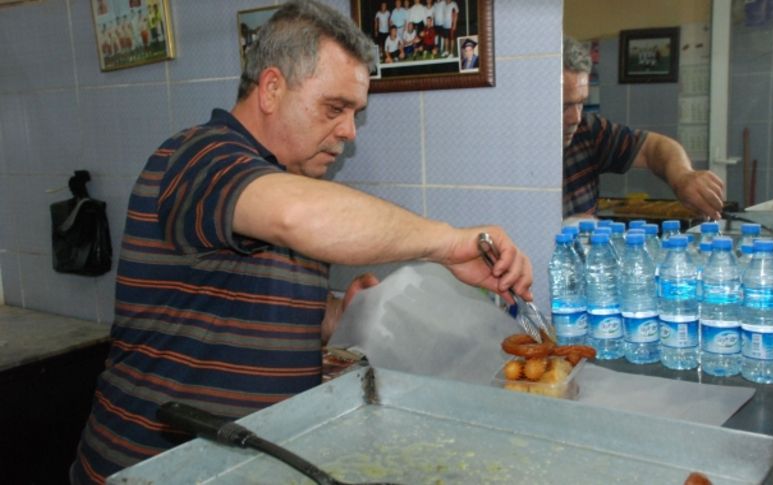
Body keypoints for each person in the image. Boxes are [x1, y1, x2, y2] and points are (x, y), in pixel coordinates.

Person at [70, 1, 533, 482]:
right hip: (153, 468)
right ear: (271, 88)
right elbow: (297, 215)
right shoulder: (199, 156)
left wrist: (339, 315)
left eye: (356, 113)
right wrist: (449, 243)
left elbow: (246, 301)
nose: (349, 133)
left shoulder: (281, 179)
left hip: (243, 464)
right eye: (334, 108)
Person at [562, 35, 724, 220]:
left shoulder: (589, 130)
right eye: (564, 106)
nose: (575, 117)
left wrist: (682, 176)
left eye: (581, 103)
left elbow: (653, 148)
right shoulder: (522, 154)